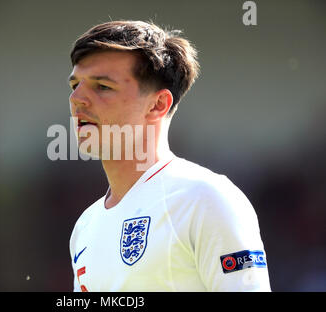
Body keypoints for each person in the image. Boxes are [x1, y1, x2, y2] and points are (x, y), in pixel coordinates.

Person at [68, 20, 271, 291]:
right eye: (75, 85)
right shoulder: (85, 226)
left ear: (158, 104)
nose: (77, 99)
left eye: (102, 86)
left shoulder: (205, 198)